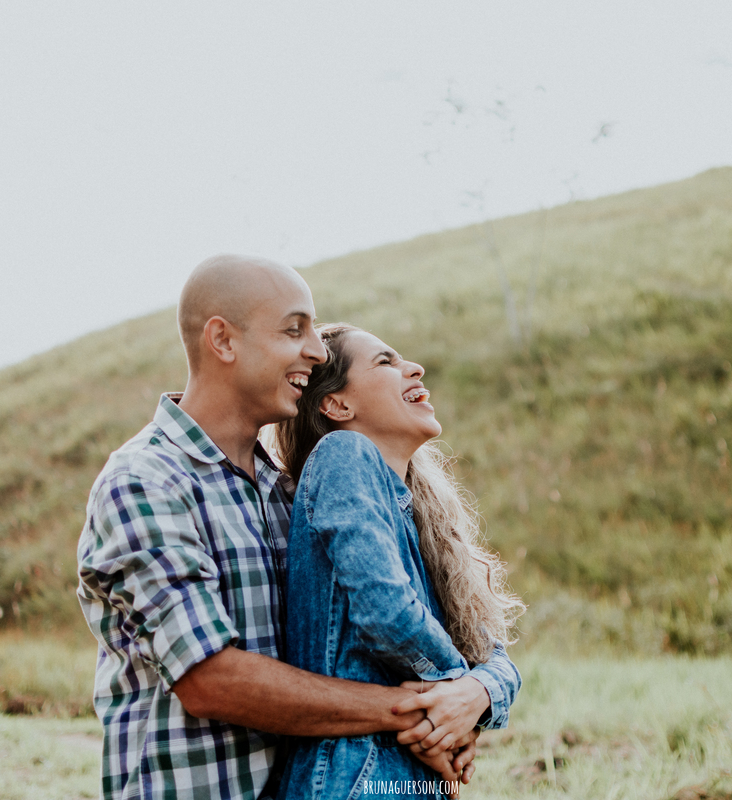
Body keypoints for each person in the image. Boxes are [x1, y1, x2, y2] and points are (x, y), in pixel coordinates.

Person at [76, 256, 476, 800]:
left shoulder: (291, 494)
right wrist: (418, 713)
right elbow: (209, 680)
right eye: (295, 329)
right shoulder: (145, 481)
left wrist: (464, 700)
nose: (315, 350)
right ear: (223, 340)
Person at [272, 323, 526, 799]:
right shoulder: (342, 454)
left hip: (404, 776)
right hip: (354, 777)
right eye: (386, 362)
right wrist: (453, 699)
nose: (415, 367)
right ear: (337, 405)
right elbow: (384, 610)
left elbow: (497, 658)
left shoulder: (419, 513)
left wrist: (474, 697)